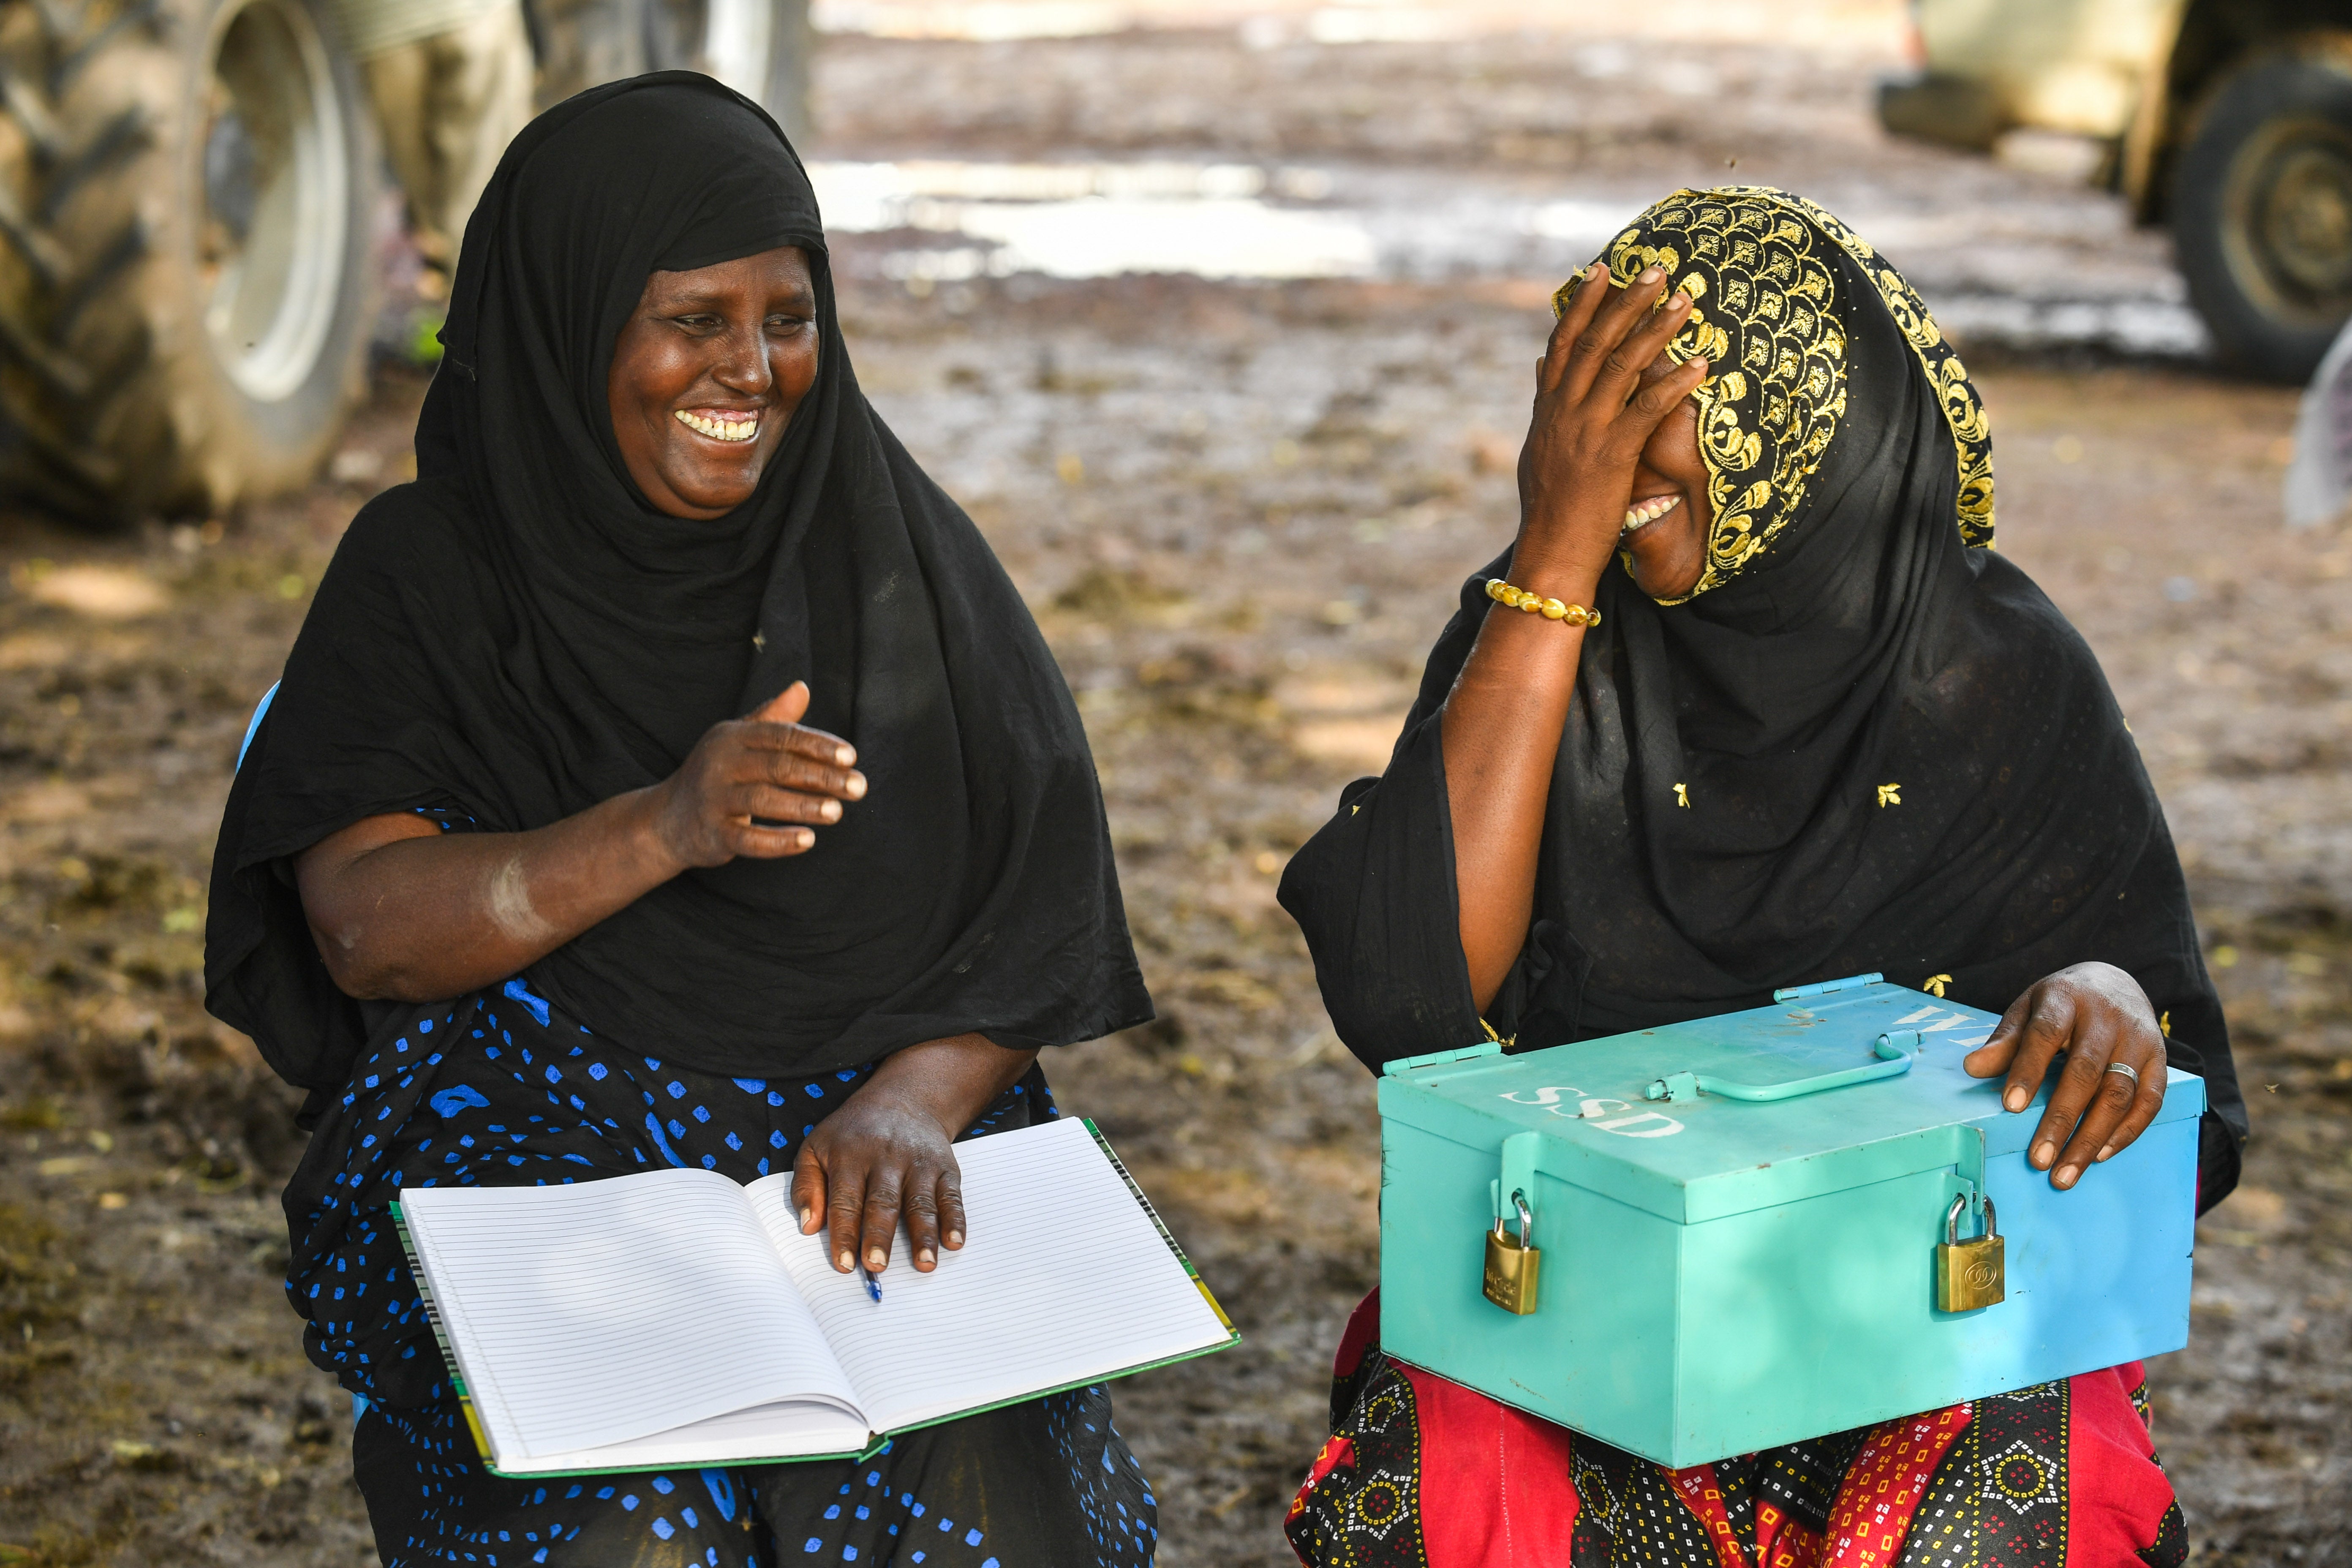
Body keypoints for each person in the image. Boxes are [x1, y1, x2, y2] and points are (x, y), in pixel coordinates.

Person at [204, 74, 1158, 1568]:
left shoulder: (887, 548)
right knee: (635, 1527)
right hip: (536, 1131)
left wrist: (918, 1098)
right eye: (691, 318)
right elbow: (364, 930)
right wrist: (661, 824)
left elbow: (1033, 906)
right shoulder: (429, 575)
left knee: (974, 1503)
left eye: (788, 315)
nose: (753, 368)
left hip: (856, 1150)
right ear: (571, 320)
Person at [1276, 188, 2248, 1567]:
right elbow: (1404, 993)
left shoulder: (1999, 677)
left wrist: (2103, 1000)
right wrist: (1552, 555)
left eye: (1636, 404)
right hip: (1595, 1305)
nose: (1594, 454)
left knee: (2018, 1498)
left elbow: (2161, 1087)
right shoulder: (1549, 636)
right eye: (1573, 404)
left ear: (1790, 424)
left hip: (1926, 1315)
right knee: (1444, 1469)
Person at [330, 0, 535, 282]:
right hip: (468, 14)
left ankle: (466, 298)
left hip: (379, 31)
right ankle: (487, 306)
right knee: (492, 199)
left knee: (438, 212)